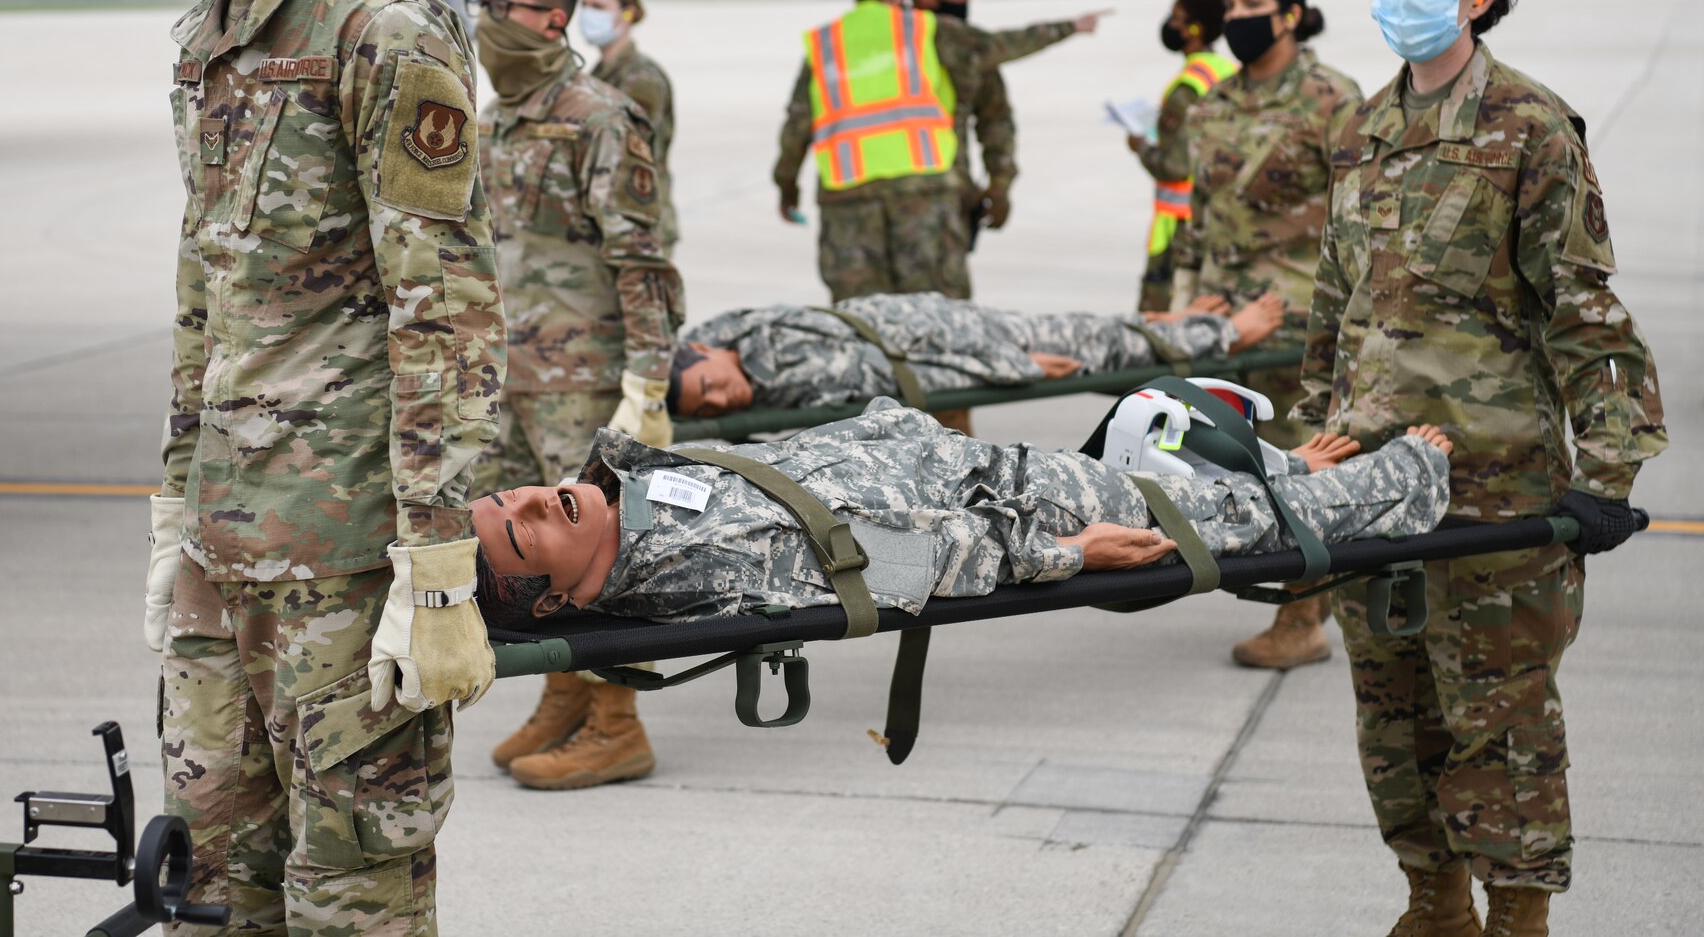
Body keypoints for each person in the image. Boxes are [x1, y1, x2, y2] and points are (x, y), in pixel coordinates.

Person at [142, 0, 507, 935]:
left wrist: (438, 566)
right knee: (210, 885)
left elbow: (444, 312)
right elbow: (206, 292)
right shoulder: (205, 42)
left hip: (347, 564)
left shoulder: (378, 28)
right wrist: (172, 505)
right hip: (222, 549)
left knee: (352, 894)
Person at [1293, 0, 1666, 937]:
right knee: (1393, 716)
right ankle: (1431, 904)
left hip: (1493, 491)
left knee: (1497, 723)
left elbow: (1583, 310)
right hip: (1369, 484)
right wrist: (1302, 456)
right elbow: (1334, 307)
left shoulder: (1528, 127)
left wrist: (1603, 476)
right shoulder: (1361, 132)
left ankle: (1514, 919)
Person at [471, 397, 1453, 625]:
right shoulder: (704, 565)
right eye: (522, 527)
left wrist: (892, 421)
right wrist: (1064, 555)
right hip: (1015, 503)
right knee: (1229, 521)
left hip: (960, 461)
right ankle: (1401, 481)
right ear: (552, 594)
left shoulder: (640, 492)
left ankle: (1293, 472)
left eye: (508, 492)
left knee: (1202, 460)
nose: (530, 496)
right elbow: (903, 569)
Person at [467, 0, 685, 791]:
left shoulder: (601, 116)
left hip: (585, 378)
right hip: (507, 374)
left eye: (502, 9)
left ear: (552, 20)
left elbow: (643, 259)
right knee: (521, 564)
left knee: (589, 562)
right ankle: (565, 693)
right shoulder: (490, 121)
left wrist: (648, 381)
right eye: (478, 4)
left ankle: (618, 722)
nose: (484, 24)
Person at [1174, 0, 1361, 670]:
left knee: (1301, 467)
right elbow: (1199, 213)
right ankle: (1304, 592)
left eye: (1250, 2)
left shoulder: (1330, 97)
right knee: (1245, 466)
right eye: (1228, 4)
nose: (1235, 16)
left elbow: (1361, 215)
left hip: (1301, 320)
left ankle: (1302, 616)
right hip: (1229, 324)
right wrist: (1184, 302)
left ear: (1288, 14)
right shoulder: (1214, 103)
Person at [774, 0, 1108, 304]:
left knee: (860, 320)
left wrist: (786, 185)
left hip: (846, 199)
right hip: (923, 194)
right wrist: (1070, 27)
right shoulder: (925, 31)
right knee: (939, 318)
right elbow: (1000, 45)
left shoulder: (826, 44)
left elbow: (797, 125)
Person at [671, 289, 1286, 418]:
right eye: (708, 409)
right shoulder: (750, 349)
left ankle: (1227, 335)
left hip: (954, 333)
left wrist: (1011, 367)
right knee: (1079, 331)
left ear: (703, 349)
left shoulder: (766, 351)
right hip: (951, 327)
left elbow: (905, 357)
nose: (722, 400)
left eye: (709, 386)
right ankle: (1186, 325)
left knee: (1093, 346)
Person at [1130, 0, 1236, 311]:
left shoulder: (1187, 85)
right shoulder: (1227, 71)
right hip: (1218, 218)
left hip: (1180, 226)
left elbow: (1173, 165)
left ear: (1194, 28)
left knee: (1163, 316)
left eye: (1177, 17)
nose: (1171, 24)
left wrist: (1140, 146)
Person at [907, 0, 1017, 247]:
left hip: (947, 201)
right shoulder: (883, 43)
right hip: (878, 204)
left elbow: (996, 120)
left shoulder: (971, 50)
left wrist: (999, 184)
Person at [582, 0, 679, 253]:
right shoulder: (599, 75)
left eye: (598, 7)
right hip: (612, 224)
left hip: (640, 228)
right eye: (584, 5)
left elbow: (624, 151)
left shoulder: (642, 79)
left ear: (627, 14)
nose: (588, 14)